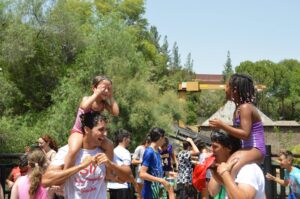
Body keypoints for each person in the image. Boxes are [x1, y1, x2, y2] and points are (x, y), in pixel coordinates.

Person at [42, 112, 130, 199]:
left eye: (105, 130)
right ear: (87, 129)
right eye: (101, 130)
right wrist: (82, 166)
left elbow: (127, 177)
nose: (105, 134)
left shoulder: (105, 151)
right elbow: (46, 180)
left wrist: (110, 164)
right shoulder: (67, 151)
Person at [209, 73, 265, 178]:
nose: (225, 89)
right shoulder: (238, 110)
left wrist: (222, 125)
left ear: (235, 90)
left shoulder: (245, 108)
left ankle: (236, 193)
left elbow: (245, 134)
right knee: (225, 166)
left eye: (227, 86)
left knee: (231, 169)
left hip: (256, 148)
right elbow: (236, 133)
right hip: (245, 148)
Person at [64, 75, 119, 170]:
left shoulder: (103, 104)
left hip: (92, 134)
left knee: (109, 145)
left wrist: (111, 97)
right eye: (103, 88)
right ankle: (64, 174)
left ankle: (107, 172)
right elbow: (84, 107)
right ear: (94, 88)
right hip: (79, 131)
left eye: (109, 89)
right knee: (74, 149)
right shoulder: (87, 99)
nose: (106, 91)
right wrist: (96, 94)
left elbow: (116, 112)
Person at [208, 131, 265, 199]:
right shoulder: (223, 166)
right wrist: (213, 169)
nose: (211, 149)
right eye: (211, 146)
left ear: (229, 148)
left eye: (215, 146)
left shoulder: (248, 168)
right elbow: (212, 192)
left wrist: (224, 173)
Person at [139, 127, 173, 199]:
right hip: (150, 193)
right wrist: (161, 180)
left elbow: (155, 170)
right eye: (164, 138)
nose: (164, 141)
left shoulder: (157, 151)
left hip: (157, 192)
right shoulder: (149, 152)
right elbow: (142, 174)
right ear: (160, 138)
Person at [108, 129, 135, 199]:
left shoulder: (112, 151)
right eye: (129, 138)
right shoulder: (125, 152)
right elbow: (127, 172)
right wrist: (135, 185)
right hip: (123, 187)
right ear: (124, 139)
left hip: (112, 186)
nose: (130, 141)